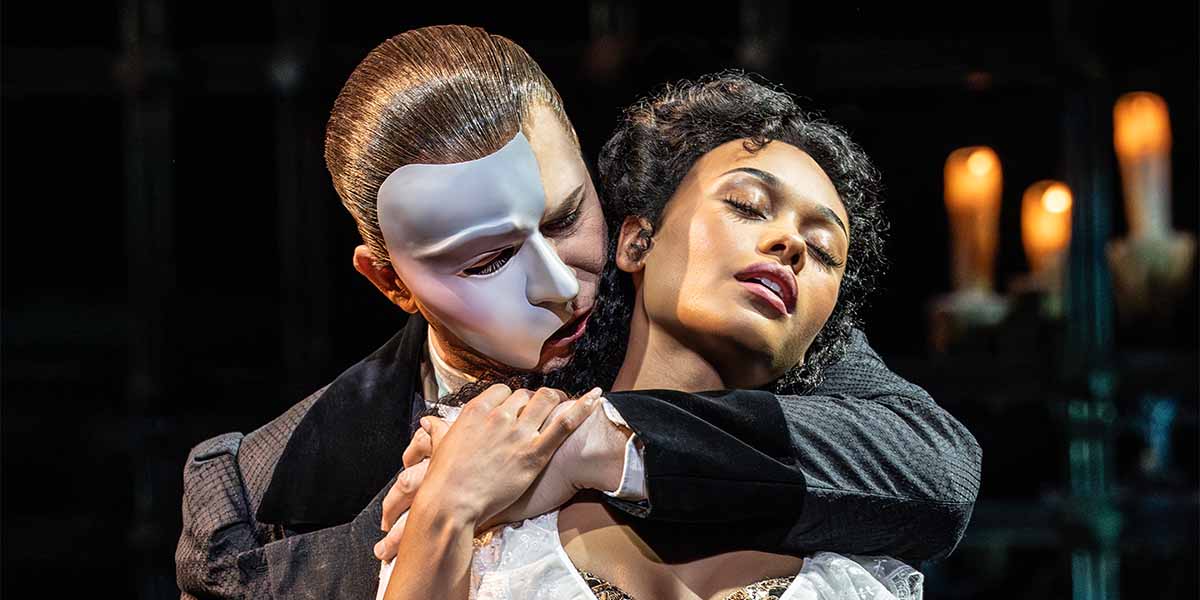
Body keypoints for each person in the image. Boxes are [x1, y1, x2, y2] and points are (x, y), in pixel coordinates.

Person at [175, 26, 980, 600]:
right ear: (390, 283)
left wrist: (595, 441)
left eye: (566, 218)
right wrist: (448, 508)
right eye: (488, 261)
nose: (559, 283)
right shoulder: (260, 495)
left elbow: (931, 464)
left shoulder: (709, 297)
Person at [379, 71, 927, 600]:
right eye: (746, 205)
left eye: (825, 249)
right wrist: (447, 508)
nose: (791, 242)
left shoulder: (862, 541)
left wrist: (598, 444)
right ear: (638, 242)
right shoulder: (482, 464)